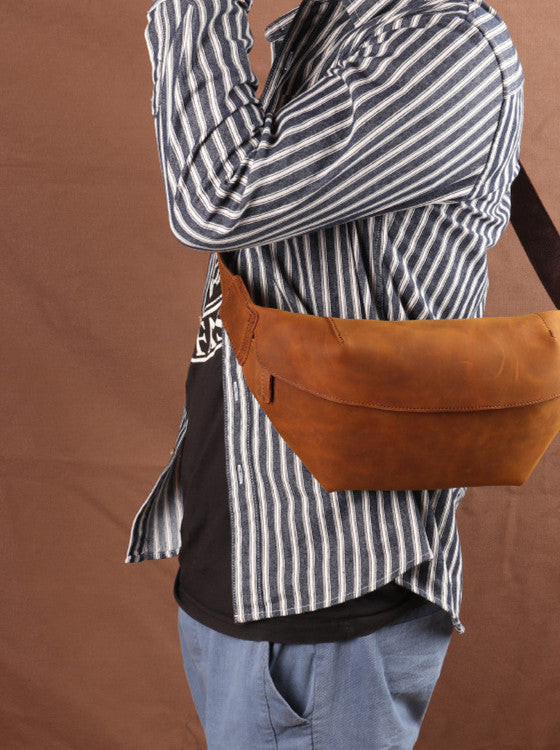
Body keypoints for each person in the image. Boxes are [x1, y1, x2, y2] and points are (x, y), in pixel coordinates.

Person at [125, 0, 524, 746]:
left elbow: (219, 194)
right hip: (240, 563)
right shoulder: (335, 24)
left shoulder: (444, 45)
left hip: (324, 594)